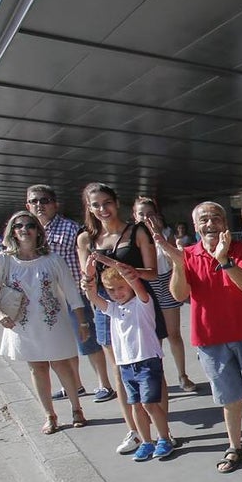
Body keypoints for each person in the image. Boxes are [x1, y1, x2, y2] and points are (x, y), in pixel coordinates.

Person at [158, 201, 242, 472]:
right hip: (210, 338)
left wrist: (224, 260)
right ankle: (235, 446)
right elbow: (179, 295)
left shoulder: (240, 249)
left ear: (225, 223)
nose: (210, 224)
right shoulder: (187, 254)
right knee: (229, 397)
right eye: (204, 220)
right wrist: (179, 265)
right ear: (195, 226)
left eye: (216, 218)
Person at [0, 210, 90, 434]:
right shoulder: (3, 260)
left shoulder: (53, 260)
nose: (24, 230)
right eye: (18, 226)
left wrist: (82, 322)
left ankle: (76, 409)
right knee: (37, 368)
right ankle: (49, 415)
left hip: (53, 323)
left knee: (61, 364)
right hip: (22, 325)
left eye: (30, 225)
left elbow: (72, 292)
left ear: (38, 231)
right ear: (12, 231)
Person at [77, 183, 164, 455]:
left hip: (140, 301)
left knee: (152, 365)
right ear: (89, 208)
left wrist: (125, 270)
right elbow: (86, 278)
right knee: (119, 369)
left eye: (107, 202)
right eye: (96, 205)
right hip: (108, 306)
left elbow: (153, 272)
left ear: (116, 202)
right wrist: (87, 282)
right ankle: (136, 432)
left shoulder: (136, 231)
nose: (102, 209)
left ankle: (164, 433)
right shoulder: (85, 239)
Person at [25, 184, 114, 404]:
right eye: (34, 201)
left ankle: (104, 384)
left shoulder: (71, 229)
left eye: (44, 200)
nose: (39, 205)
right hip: (48, 300)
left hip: (74, 295)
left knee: (88, 340)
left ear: (55, 204)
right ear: (28, 205)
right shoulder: (30, 232)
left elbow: (85, 260)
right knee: (63, 344)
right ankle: (74, 385)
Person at [84, 259, 175, 461]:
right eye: (111, 290)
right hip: (126, 364)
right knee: (135, 405)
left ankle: (164, 438)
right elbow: (92, 296)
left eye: (121, 288)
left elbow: (135, 283)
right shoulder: (113, 308)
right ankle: (146, 442)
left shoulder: (143, 302)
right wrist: (89, 276)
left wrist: (109, 263)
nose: (117, 293)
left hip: (147, 360)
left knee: (150, 404)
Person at [133, 197, 197, 391]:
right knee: (154, 336)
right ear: (135, 216)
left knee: (173, 333)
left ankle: (182, 375)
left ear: (157, 215)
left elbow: (174, 257)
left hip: (167, 280)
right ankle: (158, 379)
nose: (146, 218)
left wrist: (158, 233)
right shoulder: (132, 236)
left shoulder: (166, 233)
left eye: (150, 214)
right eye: (141, 214)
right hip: (147, 284)